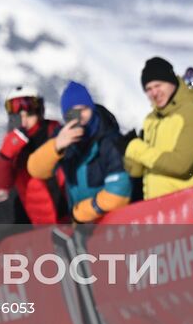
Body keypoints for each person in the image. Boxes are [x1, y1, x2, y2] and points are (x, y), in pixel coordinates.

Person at [27, 82, 132, 223]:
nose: (79, 117)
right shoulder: (64, 138)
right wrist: (57, 146)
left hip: (113, 223)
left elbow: (119, 191)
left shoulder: (109, 140)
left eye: (83, 110)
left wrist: (81, 213)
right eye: (72, 113)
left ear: (92, 109)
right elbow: (35, 169)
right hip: (85, 228)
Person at [125, 58, 193, 200]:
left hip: (186, 207)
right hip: (156, 208)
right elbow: (138, 172)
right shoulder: (151, 119)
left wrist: (136, 148)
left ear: (171, 82)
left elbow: (180, 165)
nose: (154, 93)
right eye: (148, 89)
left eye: (158, 86)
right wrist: (128, 153)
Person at [0, 88, 65, 224]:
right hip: (34, 218)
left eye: (29, 115)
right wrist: (6, 154)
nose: (24, 121)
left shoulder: (54, 132)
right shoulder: (12, 143)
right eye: (18, 116)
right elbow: (1, 183)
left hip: (63, 210)